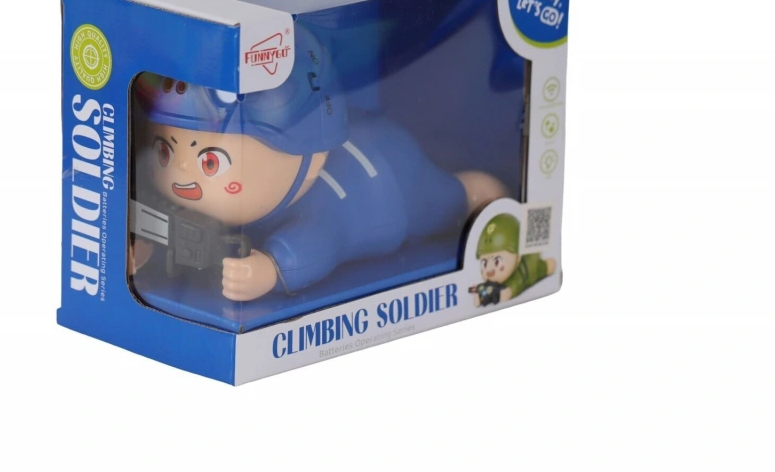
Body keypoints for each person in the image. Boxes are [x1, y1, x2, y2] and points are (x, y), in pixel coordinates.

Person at [131, 25, 506, 301]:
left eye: (211, 163)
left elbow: (316, 244)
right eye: (165, 152)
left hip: (393, 183)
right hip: (364, 131)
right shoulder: (205, 208)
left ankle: (477, 192)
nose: (181, 172)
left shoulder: (315, 216)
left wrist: (271, 270)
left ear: (310, 163)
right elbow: (177, 233)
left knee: (447, 199)